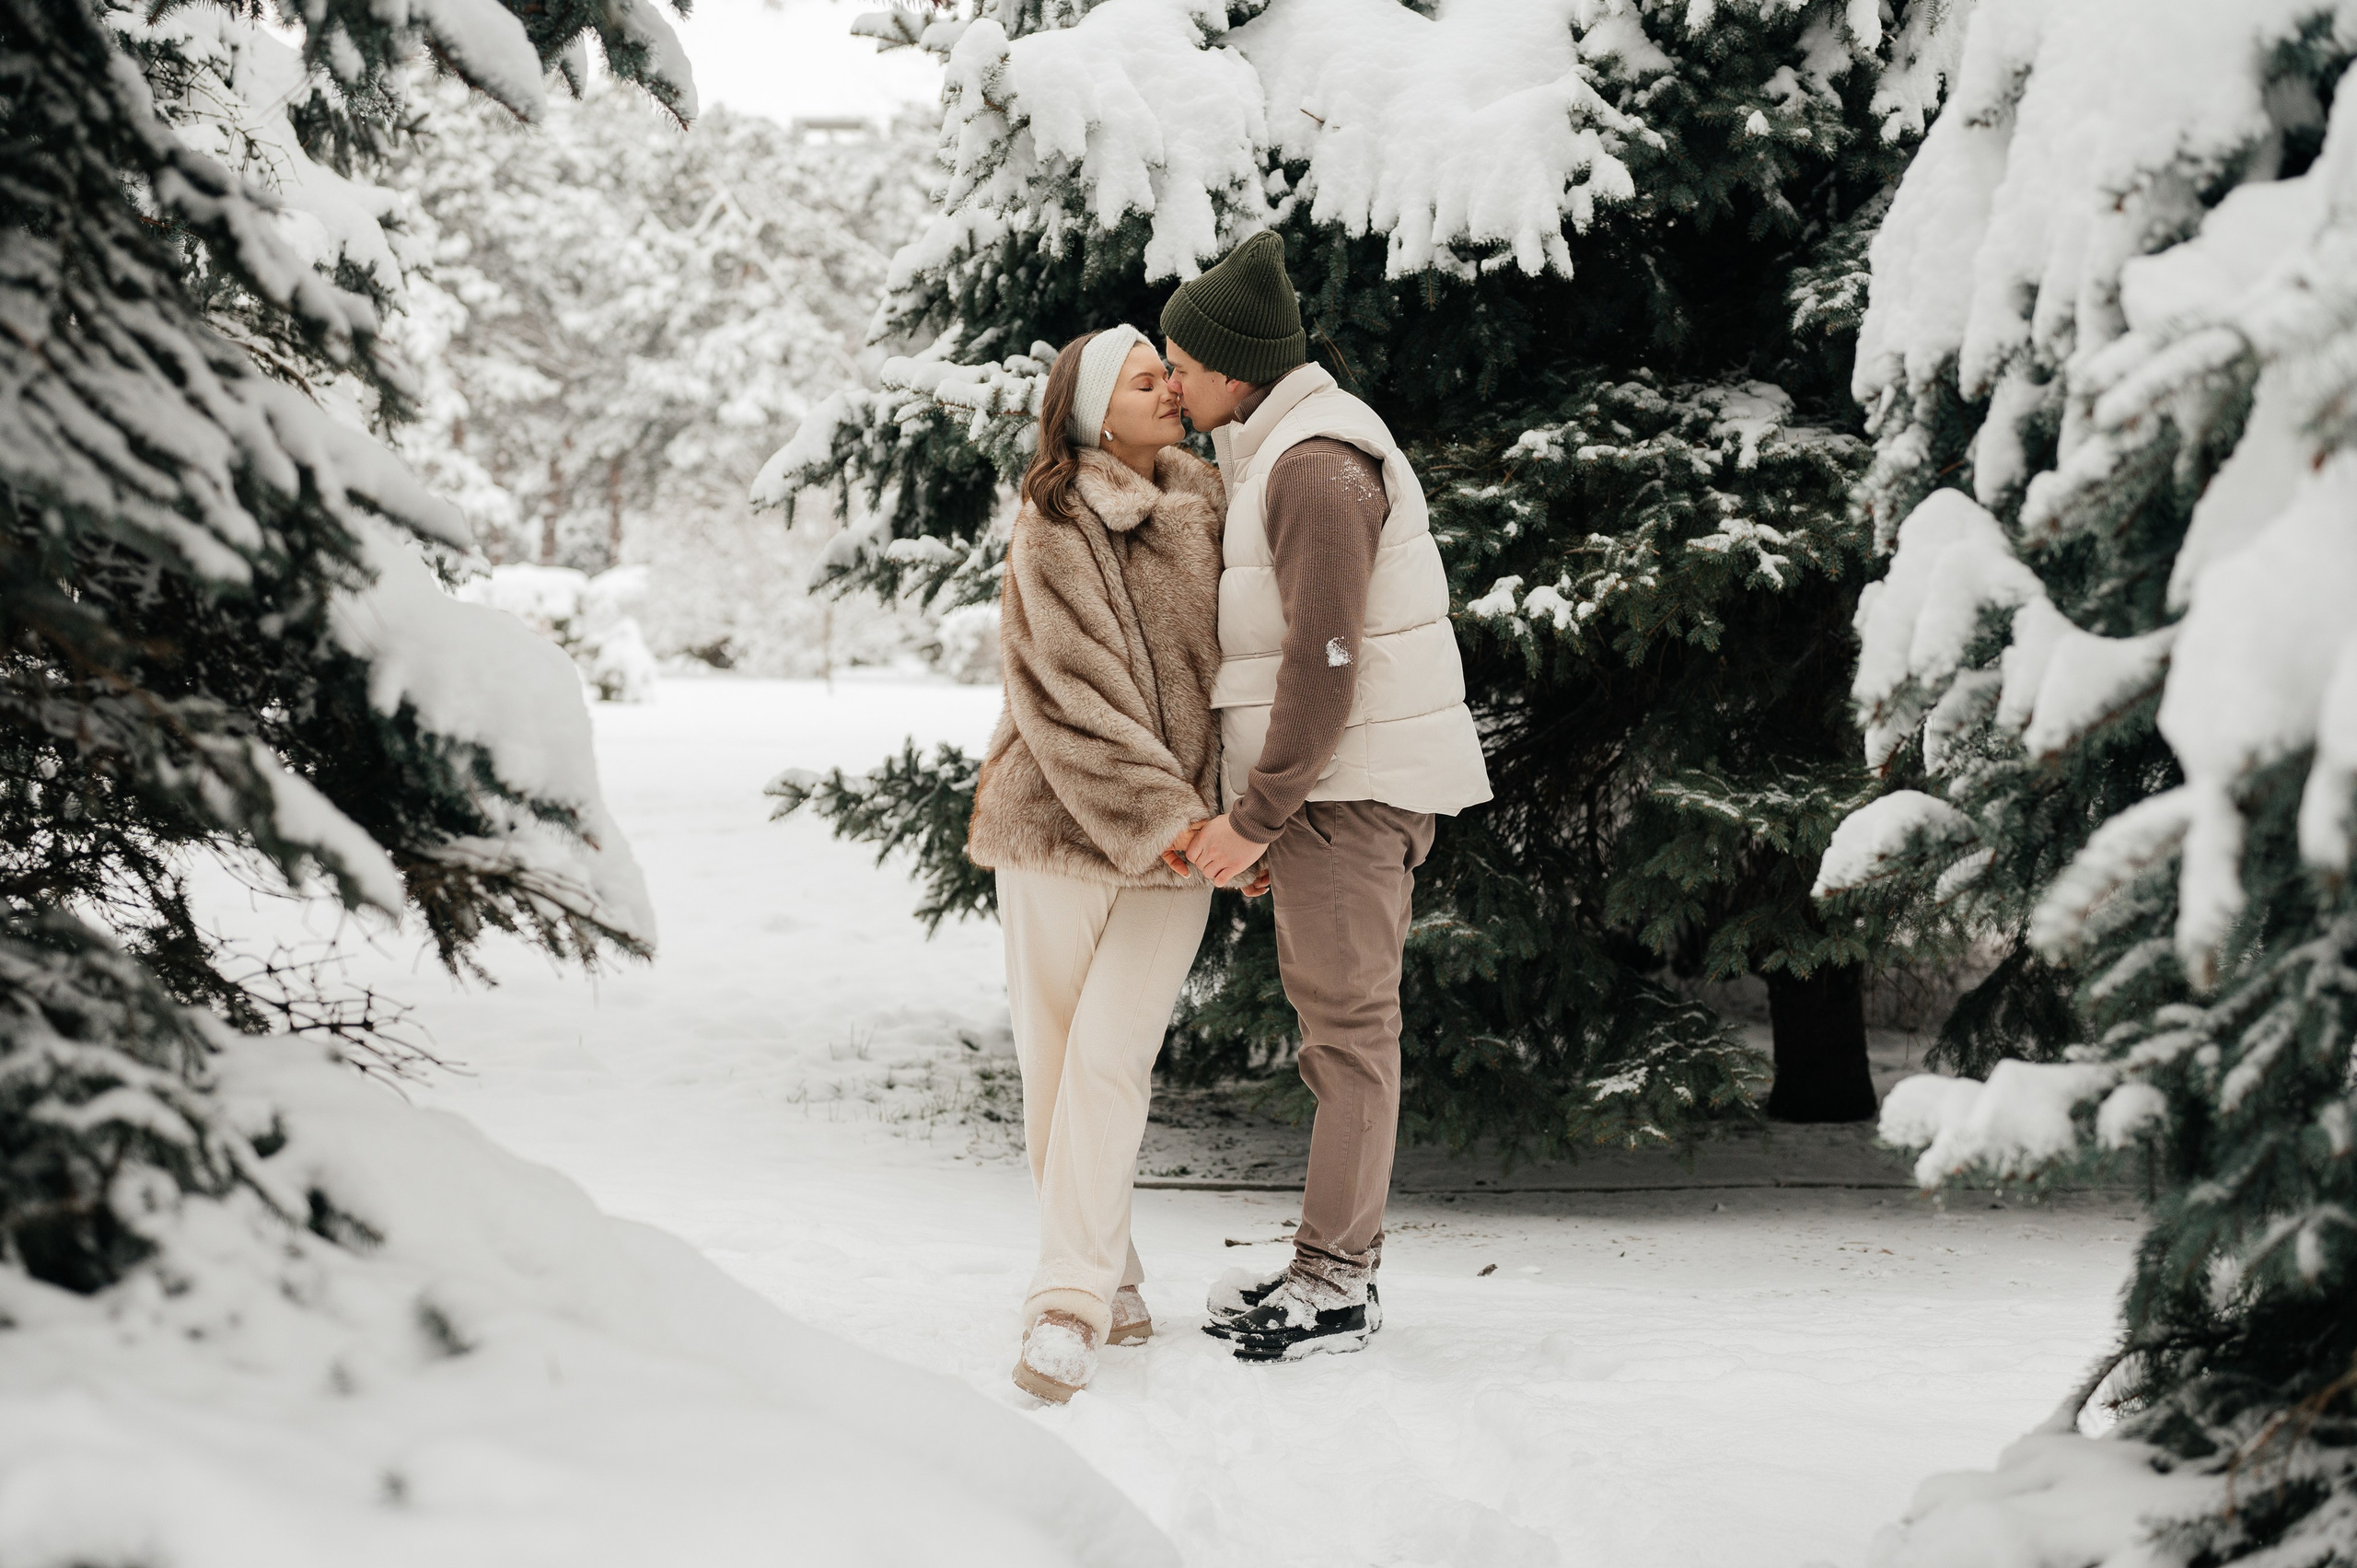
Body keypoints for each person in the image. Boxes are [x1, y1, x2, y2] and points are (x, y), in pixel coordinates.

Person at [1161, 232, 1492, 1362]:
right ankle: (1326, 1254)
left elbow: (1324, 662)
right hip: (1332, 793)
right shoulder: (1287, 450)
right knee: (1336, 1032)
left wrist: (1255, 812)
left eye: (1182, 359)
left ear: (1237, 365)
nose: (1170, 378)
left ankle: (1336, 1281)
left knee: (1350, 1034)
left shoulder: (1313, 464)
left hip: (1346, 794)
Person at [965, 325, 1234, 1403]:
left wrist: (1223, 821)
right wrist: (1167, 813)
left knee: (1113, 1054)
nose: (1170, 387)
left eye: (1165, 372)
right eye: (1143, 379)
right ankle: (1094, 1283)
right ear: (1089, 412)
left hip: (1187, 838)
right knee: (1058, 1061)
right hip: (1058, 824)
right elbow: (1067, 698)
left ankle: (1063, 1295)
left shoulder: (1216, 505)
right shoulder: (1055, 519)